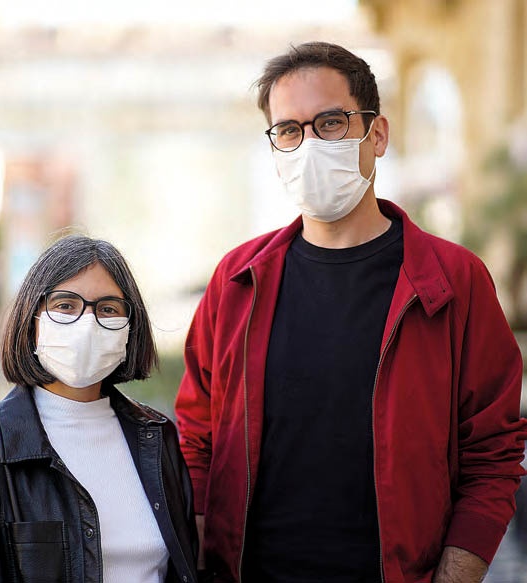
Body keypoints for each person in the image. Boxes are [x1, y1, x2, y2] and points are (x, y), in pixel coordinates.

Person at [174, 41, 527, 583]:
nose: (309, 144)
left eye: (331, 123)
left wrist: (456, 574)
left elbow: (492, 451)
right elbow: (196, 439)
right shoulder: (237, 280)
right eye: (288, 130)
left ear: (377, 134)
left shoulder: (453, 282)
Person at [0, 234, 198, 583]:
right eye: (65, 305)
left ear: (130, 329)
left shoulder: (156, 437)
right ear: (32, 321)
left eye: (107, 309)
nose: (87, 324)